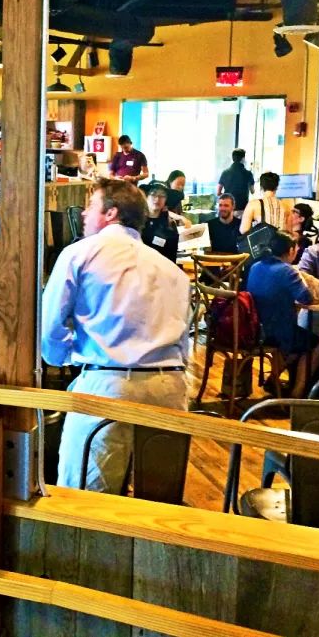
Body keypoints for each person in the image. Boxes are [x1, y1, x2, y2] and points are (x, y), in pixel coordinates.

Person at [42, 179, 191, 493]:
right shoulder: (173, 271)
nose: (84, 214)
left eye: (91, 206)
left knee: (85, 500)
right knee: (158, 503)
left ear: (111, 213)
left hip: (109, 384)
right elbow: (184, 342)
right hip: (170, 389)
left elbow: (50, 327)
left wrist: (66, 356)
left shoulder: (79, 254)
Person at [245, 231, 319, 397]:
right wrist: (308, 280)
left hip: (256, 329)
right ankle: (297, 393)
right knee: (315, 344)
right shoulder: (287, 271)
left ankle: (273, 380)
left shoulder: (256, 266)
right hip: (276, 332)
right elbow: (307, 299)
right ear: (291, 250)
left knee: (297, 343)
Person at [140, 184, 179, 262]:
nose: (157, 199)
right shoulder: (136, 222)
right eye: (153, 194)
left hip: (161, 266)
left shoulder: (170, 225)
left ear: (166, 200)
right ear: (146, 197)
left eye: (162, 196)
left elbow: (172, 255)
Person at [217, 149, 254, 217]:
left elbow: (218, 192)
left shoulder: (225, 172)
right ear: (243, 159)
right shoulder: (248, 174)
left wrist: (227, 195)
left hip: (228, 208)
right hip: (242, 208)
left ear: (233, 158)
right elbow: (252, 191)